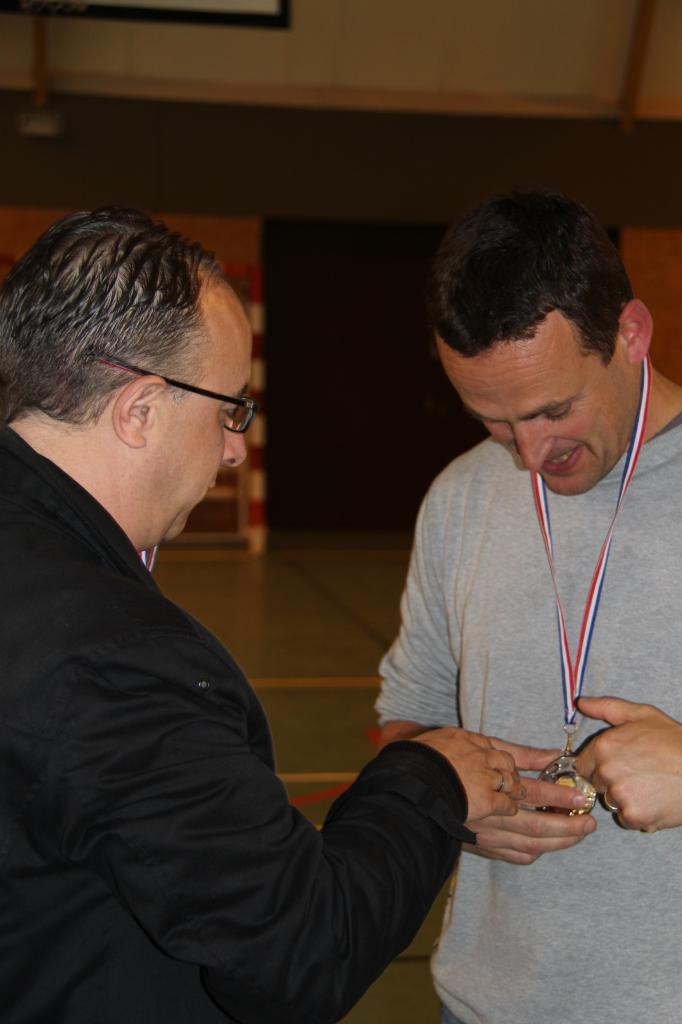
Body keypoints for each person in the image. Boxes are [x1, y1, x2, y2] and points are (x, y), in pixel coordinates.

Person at [0, 208, 576, 1024]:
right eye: (230, 408)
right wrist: (431, 780)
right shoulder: (109, 654)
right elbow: (297, 954)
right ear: (139, 410)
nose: (235, 448)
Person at [377, 189, 682, 1024]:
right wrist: (450, 797)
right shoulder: (459, 497)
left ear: (629, 334)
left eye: (554, 410)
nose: (529, 455)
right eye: (492, 421)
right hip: (483, 1004)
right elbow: (408, 718)